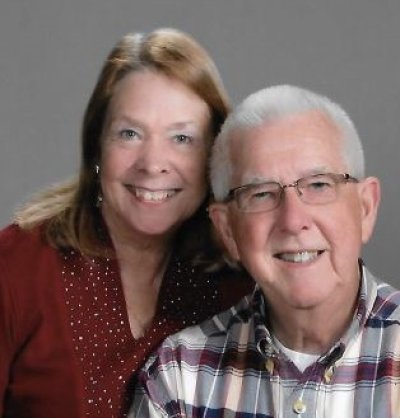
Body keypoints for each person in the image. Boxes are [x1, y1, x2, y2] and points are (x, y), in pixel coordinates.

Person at [0, 28, 253, 418]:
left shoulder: (241, 282)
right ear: (96, 144)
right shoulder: (15, 267)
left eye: (182, 138)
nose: (153, 163)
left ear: (214, 154)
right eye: (130, 133)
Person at [131, 85, 400, 417]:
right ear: (227, 230)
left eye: (318, 185)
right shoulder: (180, 376)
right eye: (260, 194)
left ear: (365, 208)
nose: (293, 220)